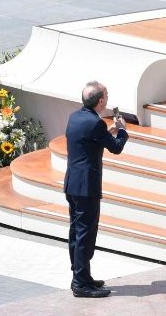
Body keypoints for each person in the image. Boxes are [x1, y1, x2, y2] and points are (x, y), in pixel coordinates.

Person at [64, 81, 128, 298]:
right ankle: (80, 283)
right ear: (100, 100)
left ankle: (81, 276)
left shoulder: (76, 117)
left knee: (76, 232)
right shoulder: (96, 124)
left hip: (72, 184)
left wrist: (106, 131)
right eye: (106, 95)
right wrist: (121, 131)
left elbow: (89, 141)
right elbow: (116, 148)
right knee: (85, 234)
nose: (108, 98)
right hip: (86, 188)